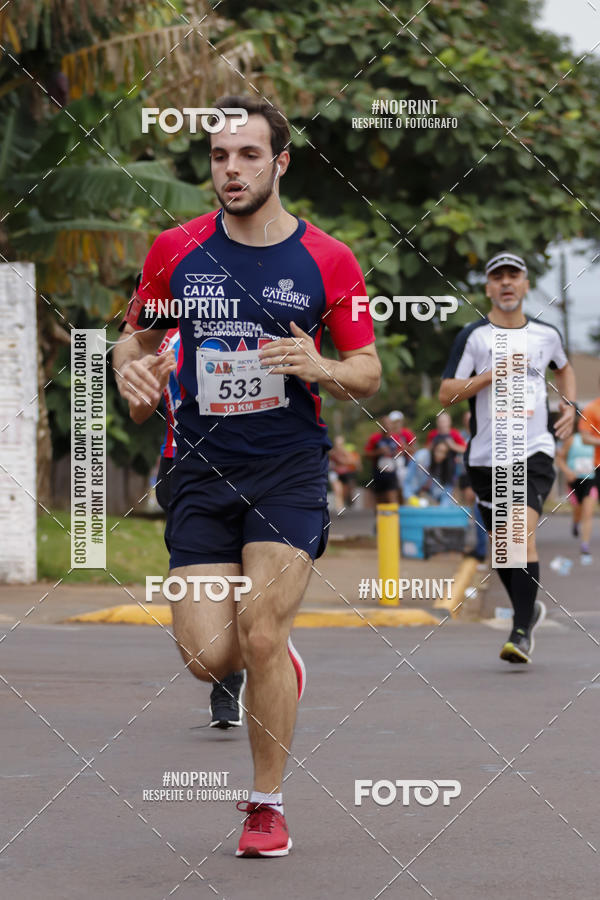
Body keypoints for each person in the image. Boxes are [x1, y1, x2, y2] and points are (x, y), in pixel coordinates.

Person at [112, 93, 380, 858]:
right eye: (220, 156)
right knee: (208, 657)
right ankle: (277, 661)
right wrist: (130, 373)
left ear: (280, 162)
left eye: (249, 155)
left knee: (261, 632)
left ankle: (266, 806)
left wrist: (321, 365)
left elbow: (368, 370)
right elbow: (133, 341)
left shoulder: (327, 259)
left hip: (288, 468)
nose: (232, 170)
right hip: (196, 469)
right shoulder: (176, 249)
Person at [439, 251, 576, 664]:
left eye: (513, 276)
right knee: (503, 548)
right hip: (485, 458)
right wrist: (490, 375)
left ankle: (519, 630)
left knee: (519, 531)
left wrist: (568, 402)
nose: (506, 284)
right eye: (497, 277)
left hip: (533, 451)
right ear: (488, 289)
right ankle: (527, 609)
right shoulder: (474, 337)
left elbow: (564, 368)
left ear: (526, 284)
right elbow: (446, 393)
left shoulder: (546, 334)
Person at [128, 326, 247, 727]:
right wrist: (149, 383)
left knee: (246, 574)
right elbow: (140, 411)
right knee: (209, 580)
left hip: (252, 466)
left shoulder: (253, 326)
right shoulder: (168, 340)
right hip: (183, 469)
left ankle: (241, 667)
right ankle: (226, 678)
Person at [556, 429, 596, 563]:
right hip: (574, 481)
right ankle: (575, 523)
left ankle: (585, 546)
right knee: (578, 511)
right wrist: (567, 471)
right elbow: (560, 458)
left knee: (588, 513)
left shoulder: (595, 439)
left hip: (591, 480)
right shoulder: (572, 439)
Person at [364, 411, 415, 503]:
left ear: (392, 425)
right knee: (380, 500)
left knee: (392, 498)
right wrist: (378, 452)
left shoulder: (397, 438)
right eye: (384, 424)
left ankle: (396, 515)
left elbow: (406, 451)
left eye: (388, 424)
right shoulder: (375, 438)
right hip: (378, 472)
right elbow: (366, 454)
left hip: (393, 473)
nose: (386, 426)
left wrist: (397, 453)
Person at [403, 438, 456, 505]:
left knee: (449, 504)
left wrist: (443, 508)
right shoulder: (421, 457)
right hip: (414, 493)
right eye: (438, 450)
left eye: (444, 452)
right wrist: (410, 497)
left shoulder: (447, 466)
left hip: (432, 497)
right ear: (433, 449)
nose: (440, 455)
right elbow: (408, 480)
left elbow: (447, 491)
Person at [328, 435, 360, 512]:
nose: (338, 446)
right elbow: (329, 464)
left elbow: (353, 461)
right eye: (337, 444)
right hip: (335, 473)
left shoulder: (346, 452)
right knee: (338, 491)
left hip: (345, 474)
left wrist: (344, 459)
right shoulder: (332, 452)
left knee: (345, 493)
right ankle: (340, 508)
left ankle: (347, 501)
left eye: (340, 444)